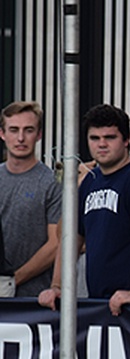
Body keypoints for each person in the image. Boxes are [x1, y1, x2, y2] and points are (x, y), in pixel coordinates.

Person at [38, 104, 130, 314]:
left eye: (109, 137)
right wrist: (57, 287)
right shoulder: (89, 182)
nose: (102, 144)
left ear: (126, 140)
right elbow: (70, 238)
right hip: (101, 305)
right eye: (95, 138)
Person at [0, 101, 60, 298]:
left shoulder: (51, 183)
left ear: (39, 134)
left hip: (34, 301)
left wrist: (12, 280)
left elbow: (55, 244)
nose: (20, 138)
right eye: (13, 130)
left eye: (28, 130)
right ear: (2, 134)